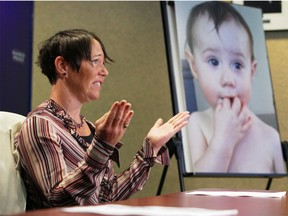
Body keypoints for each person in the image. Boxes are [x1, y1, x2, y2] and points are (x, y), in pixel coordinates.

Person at [14, 29, 190, 209]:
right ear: (62, 66)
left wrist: (150, 150)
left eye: (103, 63)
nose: (104, 72)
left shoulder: (89, 127)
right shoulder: (41, 124)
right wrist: (102, 146)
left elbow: (106, 197)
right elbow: (59, 201)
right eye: (95, 61)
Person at [184, 1, 286, 173]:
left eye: (237, 65)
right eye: (213, 61)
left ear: (252, 71)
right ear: (194, 66)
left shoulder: (270, 136)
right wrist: (223, 140)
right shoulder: (197, 123)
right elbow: (198, 180)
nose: (228, 79)